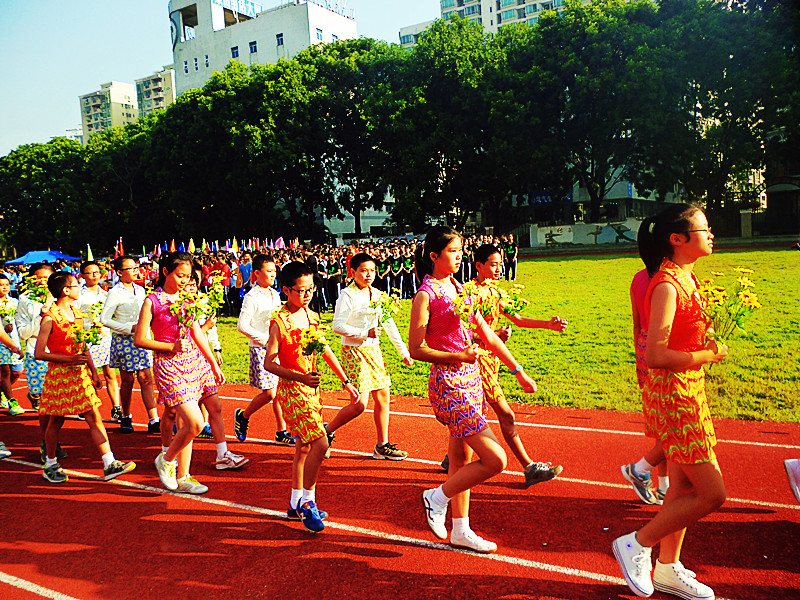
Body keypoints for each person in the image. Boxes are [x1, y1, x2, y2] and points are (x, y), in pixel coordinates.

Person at [612, 204, 727, 600]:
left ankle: (667, 568)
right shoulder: (666, 285)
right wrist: (707, 355)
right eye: (704, 229)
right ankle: (637, 543)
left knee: (680, 486)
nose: (711, 234)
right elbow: (656, 354)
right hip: (675, 396)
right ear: (677, 239)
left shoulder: (688, 278)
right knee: (712, 494)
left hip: (691, 390)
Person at [409, 226, 537, 554]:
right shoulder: (426, 295)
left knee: (460, 460)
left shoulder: (458, 288)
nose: (459, 256)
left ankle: (461, 530)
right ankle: (436, 497)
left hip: (472, 381)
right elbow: (416, 349)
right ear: (434, 256)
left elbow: (488, 335)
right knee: (495, 460)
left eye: (460, 250)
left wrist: (518, 370)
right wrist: (459, 356)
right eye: (453, 251)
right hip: (450, 386)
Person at [440, 244, 566, 486]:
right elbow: (461, 332)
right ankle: (529, 467)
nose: (499, 269)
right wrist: (493, 335)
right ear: (479, 266)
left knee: (474, 413)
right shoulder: (469, 293)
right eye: (494, 264)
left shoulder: (495, 292)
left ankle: (452, 457)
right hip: (476, 362)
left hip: (492, 361)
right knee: (505, 414)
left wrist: (547, 324)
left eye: (500, 264)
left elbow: (517, 319)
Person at [135, 252, 245, 494]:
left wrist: (213, 364)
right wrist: (170, 347)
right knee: (195, 422)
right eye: (180, 276)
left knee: (189, 422)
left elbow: (196, 332)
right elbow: (140, 339)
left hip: (194, 363)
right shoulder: (152, 301)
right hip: (168, 365)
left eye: (188, 276)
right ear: (166, 272)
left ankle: (184, 476)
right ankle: (166, 460)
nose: (185, 281)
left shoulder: (187, 298)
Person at [263, 261, 359, 533]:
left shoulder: (311, 316)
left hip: (312, 390)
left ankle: (294, 503)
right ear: (286, 290)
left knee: (303, 448)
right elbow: (269, 363)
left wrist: (345, 381)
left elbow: (324, 348)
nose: (307, 295)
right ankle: (308, 501)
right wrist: (300, 377)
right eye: (301, 291)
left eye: (311, 289)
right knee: (321, 443)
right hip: (293, 391)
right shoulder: (279, 322)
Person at [34, 272, 136, 484]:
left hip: (80, 374)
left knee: (94, 416)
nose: (79, 288)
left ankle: (109, 462)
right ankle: (50, 464)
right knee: (56, 420)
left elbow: (83, 344)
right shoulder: (49, 318)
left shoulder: (77, 313)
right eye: (75, 285)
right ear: (66, 291)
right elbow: (39, 353)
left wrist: (93, 371)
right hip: (59, 376)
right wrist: (69, 359)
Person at [327, 252, 413, 461]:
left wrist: (403, 351)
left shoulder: (378, 294)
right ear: (352, 272)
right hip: (354, 351)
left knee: (383, 397)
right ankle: (326, 431)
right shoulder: (347, 295)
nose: (369, 275)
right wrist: (364, 333)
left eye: (372, 270)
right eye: (363, 271)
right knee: (359, 404)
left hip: (374, 351)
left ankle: (382, 445)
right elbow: (337, 326)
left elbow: (389, 324)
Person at [620, 240, 669, 506]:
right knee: (675, 425)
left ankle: (665, 486)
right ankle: (643, 471)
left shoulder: (638, 278)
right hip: (666, 348)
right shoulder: (668, 280)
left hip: (644, 346)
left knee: (664, 424)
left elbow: (637, 324)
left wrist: (640, 353)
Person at [234, 253, 294, 445]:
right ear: (256, 274)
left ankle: (282, 431)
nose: (273, 274)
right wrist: (266, 341)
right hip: (261, 349)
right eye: (269, 271)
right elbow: (242, 326)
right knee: (269, 393)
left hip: (278, 348)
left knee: (279, 391)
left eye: (274, 271)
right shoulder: (251, 297)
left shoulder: (275, 294)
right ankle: (243, 415)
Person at [100, 256, 159, 434]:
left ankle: (154, 419)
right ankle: (126, 416)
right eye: (131, 268)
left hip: (143, 337)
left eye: (136, 267)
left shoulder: (141, 290)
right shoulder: (115, 292)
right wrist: (128, 328)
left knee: (146, 378)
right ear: (119, 272)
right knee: (127, 380)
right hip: (124, 340)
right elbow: (105, 319)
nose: (135, 271)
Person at [77, 261, 122, 422]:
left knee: (110, 373)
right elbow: (75, 315)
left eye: (97, 272)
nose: (94, 275)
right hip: (87, 338)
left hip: (105, 338)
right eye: (90, 272)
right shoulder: (78, 294)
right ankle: (88, 406)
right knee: (88, 374)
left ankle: (116, 408)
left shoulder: (106, 293)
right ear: (82, 275)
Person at [16, 262, 56, 411]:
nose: (43, 281)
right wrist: (40, 315)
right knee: (42, 395)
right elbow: (23, 333)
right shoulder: (25, 300)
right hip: (36, 347)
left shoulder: (62, 295)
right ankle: (35, 396)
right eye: (38, 278)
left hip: (60, 349)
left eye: (47, 277)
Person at [0, 274, 25, 416]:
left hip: (14, 340)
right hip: (1, 342)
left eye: (6, 284)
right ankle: (12, 402)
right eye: (1, 285)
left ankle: (2, 391)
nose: (4, 287)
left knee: (17, 372)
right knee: (5, 372)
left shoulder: (15, 302)